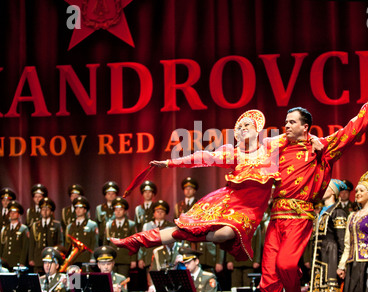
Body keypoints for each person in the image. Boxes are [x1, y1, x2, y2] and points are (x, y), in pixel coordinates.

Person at [259, 82, 368, 292]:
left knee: (286, 264)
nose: (286, 125)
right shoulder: (276, 148)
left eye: (291, 122)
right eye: (285, 122)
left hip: (298, 216)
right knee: (270, 274)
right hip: (276, 217)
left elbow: (350, 131)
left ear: (305, 126)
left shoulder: (321, 149)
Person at [112, 109, 283, 263]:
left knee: (225, 234)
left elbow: (296, 135)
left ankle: (147, 239)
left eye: (247, 125)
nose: (242, 128)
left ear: (257, 129)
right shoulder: (233, 153)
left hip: (251, 209)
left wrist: (311, 139)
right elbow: (202, 157)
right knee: (188, 230)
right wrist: (169, 163)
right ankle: (137, 240)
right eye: (239, 127)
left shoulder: (270, 146)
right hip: (230, 201)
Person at [337, 170, 368, 292]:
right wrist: (342, 265)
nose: (358, 194)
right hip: (353, 262)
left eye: (362, 191)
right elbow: (347, 244)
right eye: (356, 191)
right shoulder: (352, 216)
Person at [309, 179, 348, 292]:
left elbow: (342, 240)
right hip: (318, 256)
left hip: (331, 256)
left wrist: (342, 264)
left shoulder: (338, 212)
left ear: (332, 192)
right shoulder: (320, 212)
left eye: (325, 187)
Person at [103, 197, 137, 277]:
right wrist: (105, 257)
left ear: (125, 211)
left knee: (122, 281)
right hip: (111, 259)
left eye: (120, 209)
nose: (118, 212)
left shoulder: (131, 225)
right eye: (116, 210)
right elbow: (106, 243)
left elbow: (134, 243)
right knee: (111, 281)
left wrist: (133, 260)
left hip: (125, 258)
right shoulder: (109, 225)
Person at [29, 197, 64, 273]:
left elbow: (60, 242)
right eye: (43, 209)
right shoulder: (35, 225)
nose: (44, 211)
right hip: (38, 260)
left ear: (51, 212)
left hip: (51, 259)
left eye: (47, 209)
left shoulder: (56, 225)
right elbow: (32, 244)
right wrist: (31, 258)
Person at [65, 196, 98, 268]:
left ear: (85, 210)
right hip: (73, 260)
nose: (78, 210)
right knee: (75, 279)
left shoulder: (92, 225)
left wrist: (93, 258)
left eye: (80, 208)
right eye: (76, 208)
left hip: (86, 259)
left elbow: (94, 243)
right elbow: (67, 244)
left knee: (85, 278)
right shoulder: (70, 226)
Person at [0, 200, 29, 270]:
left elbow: (25, 248)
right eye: (11, 212)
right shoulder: (5, 229)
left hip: (16, 262)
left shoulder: (23, 229)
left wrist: (22, 262)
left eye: (15, 212)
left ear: (18, 214)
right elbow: (1, 246)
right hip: (5, 262)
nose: (12, 214)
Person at [95, 181, 119, 246]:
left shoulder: (120, 209)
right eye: (108, 193)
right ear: (105, 195)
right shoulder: (99, 208)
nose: (111, 195)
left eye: (113, 193)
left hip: (115, 239)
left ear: (116, 195)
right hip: (102, 240)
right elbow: (97, 225)